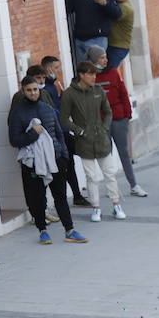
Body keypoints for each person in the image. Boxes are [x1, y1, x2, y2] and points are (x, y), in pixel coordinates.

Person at [9, 76, 88, 244]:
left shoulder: (47, 108)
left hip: (56, 159)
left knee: (60, 196)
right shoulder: (18, 113)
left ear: (40, 90)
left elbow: (59, 133)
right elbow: (14, 140)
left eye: (35, 89)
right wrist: (33, 134)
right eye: (29, 90)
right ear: (23, 91)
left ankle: (70, 230)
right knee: (37, 198)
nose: (32, 93)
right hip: (32, 163)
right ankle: (42, 230)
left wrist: (64, 156)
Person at [62, 60, 125, 223]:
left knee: (110, 174)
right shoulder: (69, 94)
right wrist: (79, 131)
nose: (94, 77)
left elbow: (108, 112)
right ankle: (96, 208)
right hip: (84, 142)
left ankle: (116, 205)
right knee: (91, 177)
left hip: (101, 139)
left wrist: (104, 128)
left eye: (95, 74)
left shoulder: (99, 91)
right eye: (90, 74)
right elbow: (63, 118)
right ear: (81, 75)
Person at [87, 45, 146, 196]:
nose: (105, 60)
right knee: (106, 155)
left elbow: (123, 94)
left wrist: (127, 114)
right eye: (102, 57)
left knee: (124, 152)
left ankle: (134, 185)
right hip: (100, 122)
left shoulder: (113, 73)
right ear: (94, 59)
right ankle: (111, 187)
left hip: (119, 118)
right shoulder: (89, 76)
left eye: (105, 57)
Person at [69, 0, 122, 66]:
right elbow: (68, 8)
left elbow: (117, 14)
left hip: (97, 39)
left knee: (96, 70)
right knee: (83, 71)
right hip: (79, 39)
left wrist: (105, 3)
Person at [106, 0, 133, 70]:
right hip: (114, 45)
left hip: (119, 47)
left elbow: (115, 15)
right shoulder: (118, 3)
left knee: (109, 72)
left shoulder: (125, 7)